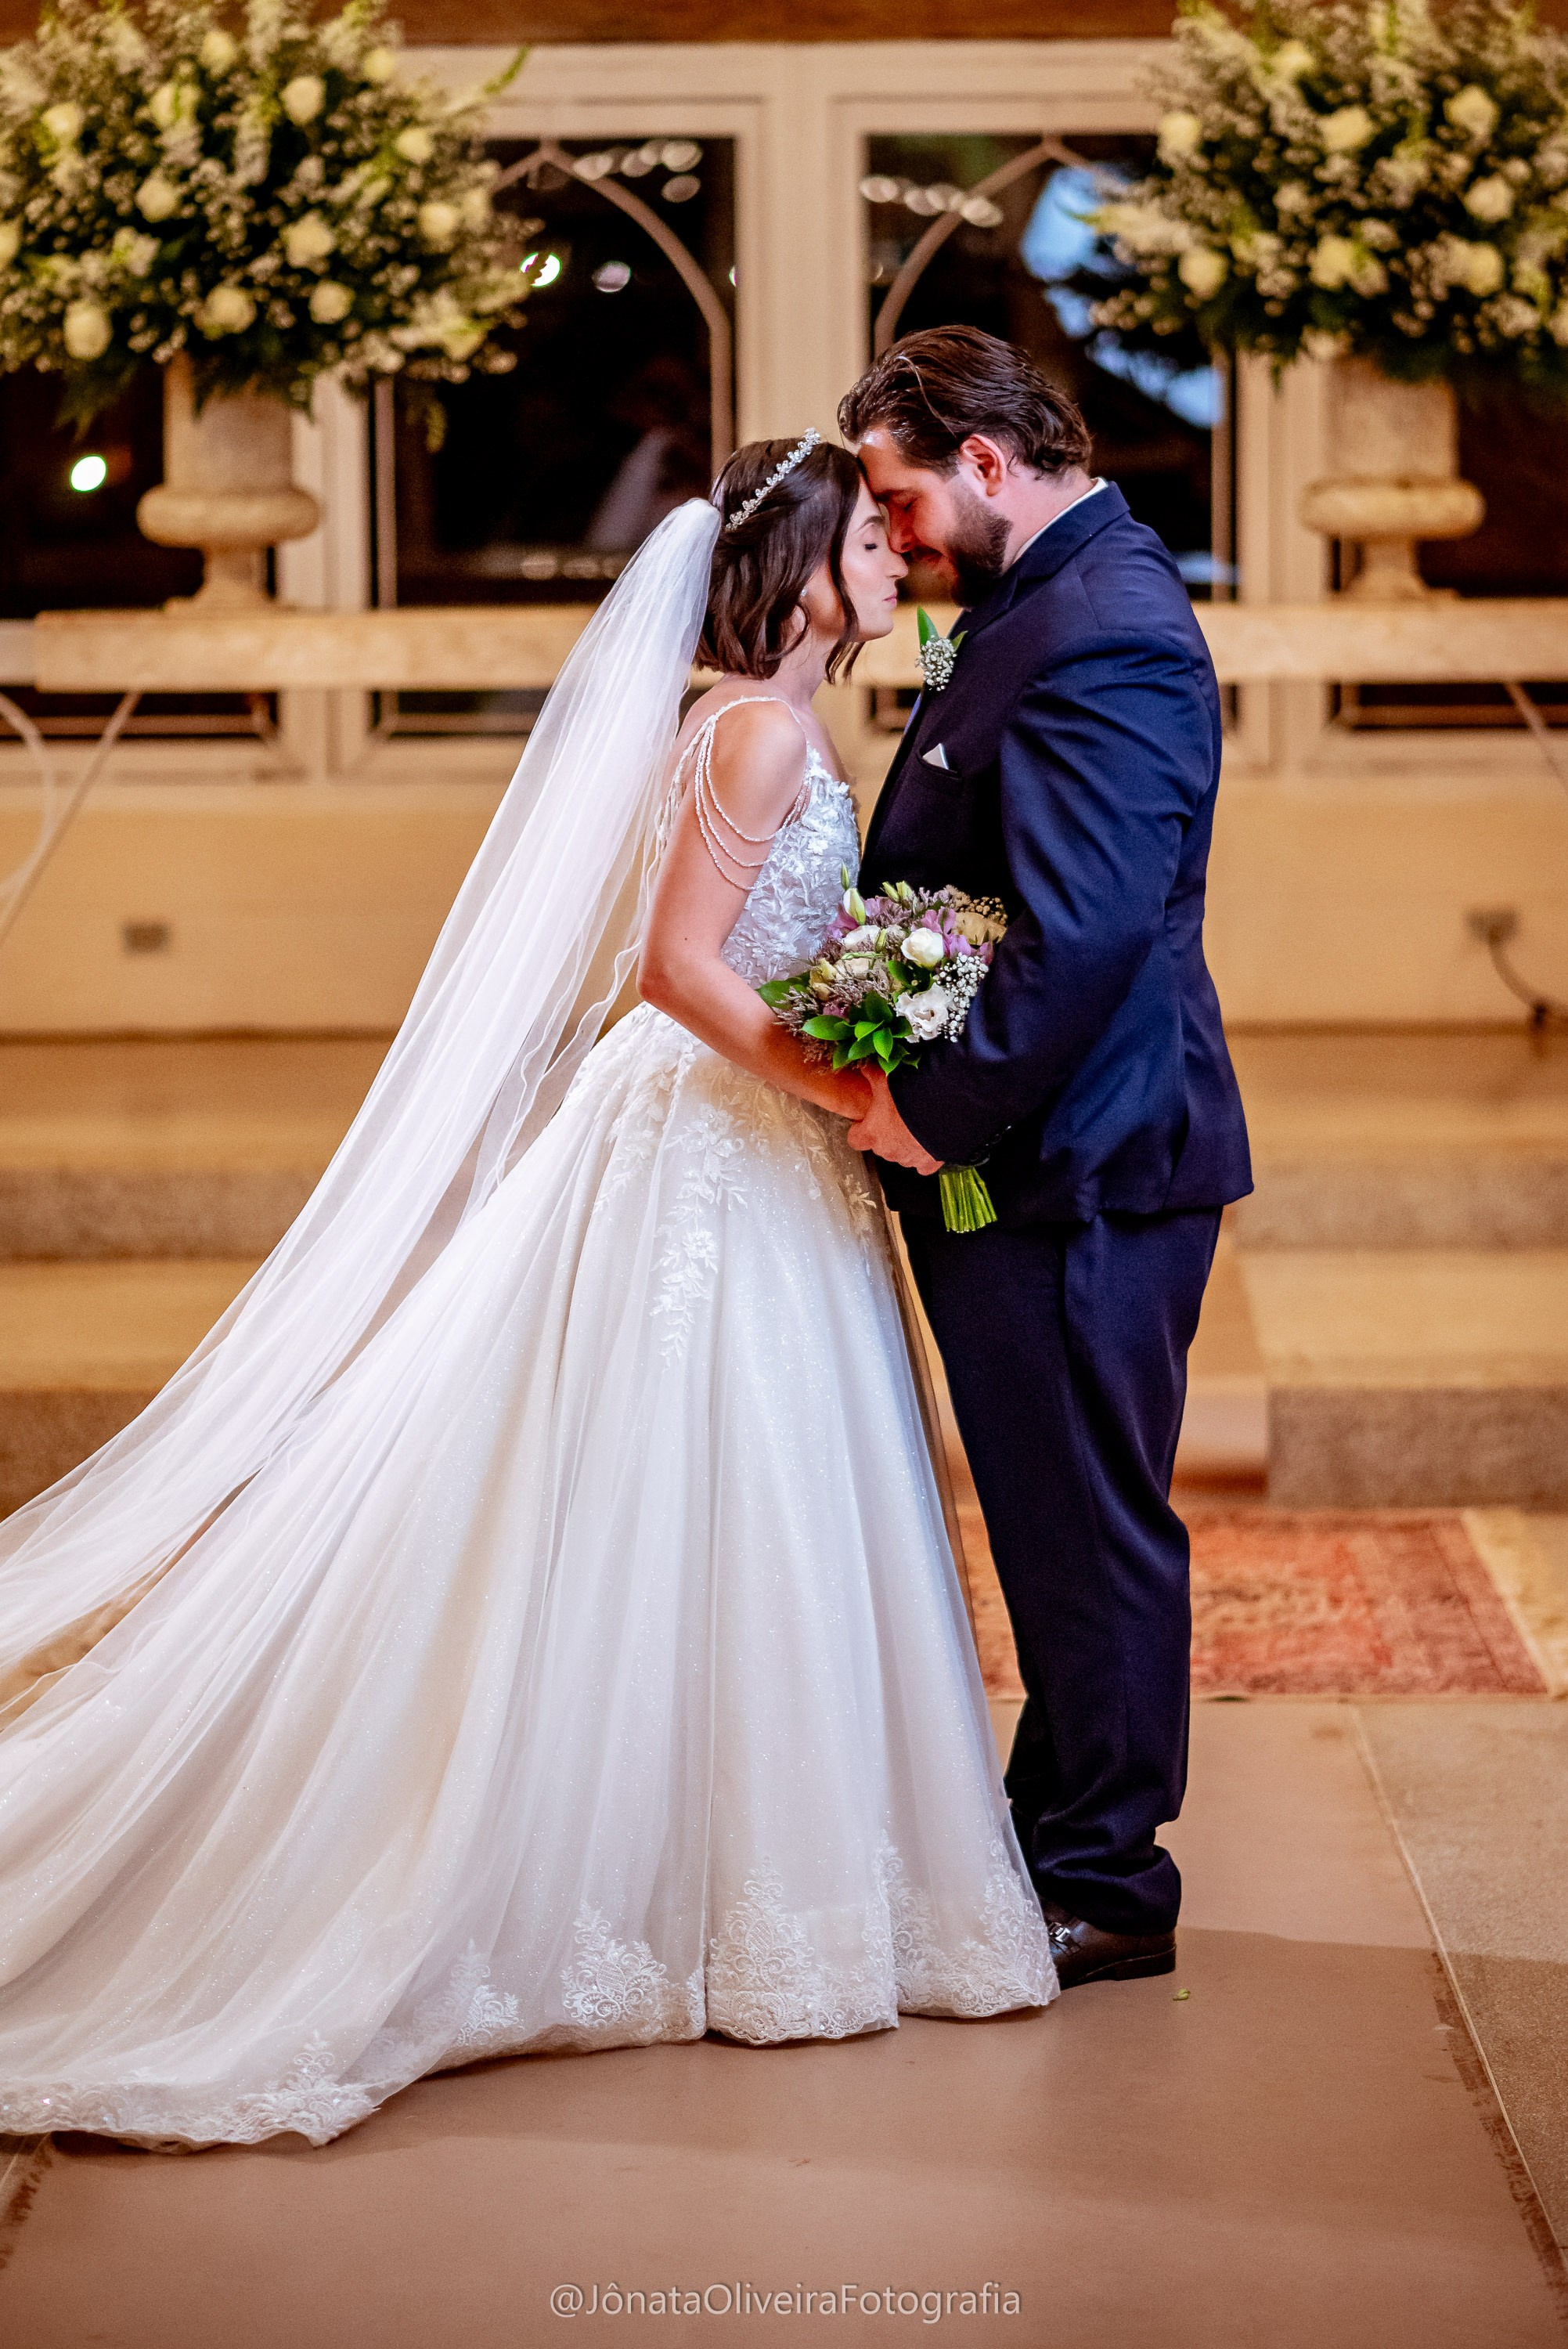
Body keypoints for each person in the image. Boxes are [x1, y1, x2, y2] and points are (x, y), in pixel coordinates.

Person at [0, 436, 1051, 2152]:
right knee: (721, 1479)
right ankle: (702, 1896)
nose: (892, 556)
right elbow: (677, 965)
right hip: (719, 1136)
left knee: (719, 1491)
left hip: (714, 1138)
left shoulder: (731, 714)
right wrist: (847, 1083)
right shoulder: (767, 727)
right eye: (867, 536)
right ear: (793, 569)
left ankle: (712, 1882)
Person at [840, 327, 1253, 1990]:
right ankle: (1045, 1845)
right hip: (1041, 1161)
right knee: (1050, 1521)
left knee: (1089, 1528)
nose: (894, 536)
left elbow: (1079, 939)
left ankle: (1110, 1883)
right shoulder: (1031, 600)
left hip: (1082, 1166)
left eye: (900, 497)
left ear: (989, 465)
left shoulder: (1107, 632)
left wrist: (930, 1114)